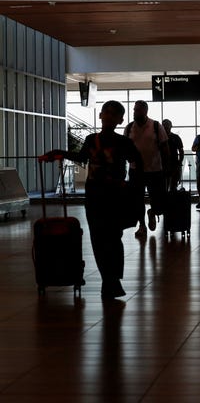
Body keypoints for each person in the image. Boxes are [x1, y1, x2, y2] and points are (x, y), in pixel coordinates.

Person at [42, 100, 144, 300]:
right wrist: (59, 153)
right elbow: (81, 157)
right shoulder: (91, 140)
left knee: (112, 238)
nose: (109, 116)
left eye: (113, 114)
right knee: (98, 238)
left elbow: (137, 163)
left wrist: (130, 186)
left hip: (113, 197)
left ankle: (112, 279)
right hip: (95, 196)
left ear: (120, 120)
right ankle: (110, 279)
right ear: (101, 116)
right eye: (107, 112)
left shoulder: (123, 142)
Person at [125, 100, 169, 237]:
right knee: (137, 200)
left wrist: (167, 169)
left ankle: (153, 212)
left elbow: (165, 148)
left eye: (137, 110)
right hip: (136, 171)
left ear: (145, 111)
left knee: (158, 202)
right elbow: (124, 147)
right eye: (134, 110)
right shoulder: (129, 127)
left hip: (155, 170)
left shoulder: (156, 126)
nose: (134, 112)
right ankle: (142, 225)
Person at [162, 119, 184, 191]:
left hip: (172, 164)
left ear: (171, 126)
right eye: (164, 125)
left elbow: (181, 151)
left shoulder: (175, 137)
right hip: (164, 164)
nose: (166, 126)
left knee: (172, 185)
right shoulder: (175, 137)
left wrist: (179, 162)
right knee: (166, 186)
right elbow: (181, 151)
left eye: (167, 125)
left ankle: (169, 201)